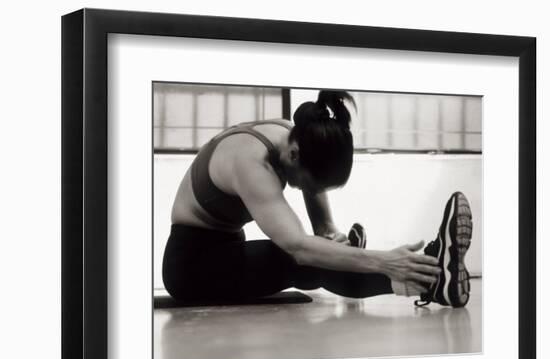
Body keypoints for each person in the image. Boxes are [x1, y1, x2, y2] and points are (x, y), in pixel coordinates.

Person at [162, 90, 472, 308]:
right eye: (311, 183)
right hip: (192, 268)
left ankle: (428, 277)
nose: (307, 189)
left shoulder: (297, 138)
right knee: (300, 260)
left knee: (320, 251)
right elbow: (298, 248)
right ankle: (429, 280)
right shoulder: (250, 161)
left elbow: (319, 225)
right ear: (294, 156)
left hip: (226, 248)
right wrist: (383, 260)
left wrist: (330, 236)